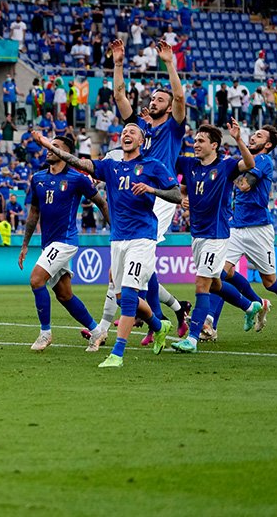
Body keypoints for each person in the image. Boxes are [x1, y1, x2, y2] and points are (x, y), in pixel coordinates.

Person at [33, 124, 178, 368]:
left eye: (132, 132)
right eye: (124, 132)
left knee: (130, 294)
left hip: (142, 237)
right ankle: (158, 325)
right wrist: (49, 146)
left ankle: (117, 354)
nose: (127, 135)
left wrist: (151, 189)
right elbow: (80, 163)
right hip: (118, 239)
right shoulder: (111, 166)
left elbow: (176, 195)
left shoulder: (153, 165)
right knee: (121, 298)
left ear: (142, 140)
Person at [108, 38, 190, 340]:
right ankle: (172, 312)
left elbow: (180, 97)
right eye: (152, 98)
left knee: (140, 261)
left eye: (159, 100)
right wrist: (118, 64)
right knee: (143, 264)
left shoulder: (173, 127)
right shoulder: (141, 130)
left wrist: (169, 63)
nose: (152, 101)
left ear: (168, 109)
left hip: (161, 195)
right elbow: (119, 97)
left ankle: (147, 318)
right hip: (136, 192)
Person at [172, 123, 261, 353]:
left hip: (217, 234)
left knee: (202, 284)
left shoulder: (226, 166)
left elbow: (250, 164)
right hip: (197, 234)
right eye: (195, 140)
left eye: (201, 141)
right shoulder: (189, 164)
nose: (196, 144)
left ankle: (192, 339)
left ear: (214, 145)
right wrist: (181, 198)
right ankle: (249, 306)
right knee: (216, 284)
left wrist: (239, 139)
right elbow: (178, 182)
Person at [18, 134, 110, 351]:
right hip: (48, 243)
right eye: (49, 145)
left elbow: (102, 203)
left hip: (65, 241)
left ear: (65, 153)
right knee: (64, 295)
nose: (49, 148)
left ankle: (45, 333)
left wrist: (117, 231)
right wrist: (24, 245)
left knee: (36, 280)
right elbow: (33, 214)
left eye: (55, 146)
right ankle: (97, 332)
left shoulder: (77, 179)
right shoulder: (38, 178)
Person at [218, 125, 277, 336]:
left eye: (259, 136)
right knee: (219, 275)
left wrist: (228, 174)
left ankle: (258, 302)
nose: (253, 137)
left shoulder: (263, 161)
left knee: (270, 282)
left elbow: (244, 185)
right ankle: (209, 326)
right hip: (236, 227)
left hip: (259, 228)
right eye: (253, 135)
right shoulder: (245, 161)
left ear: (268, 144)